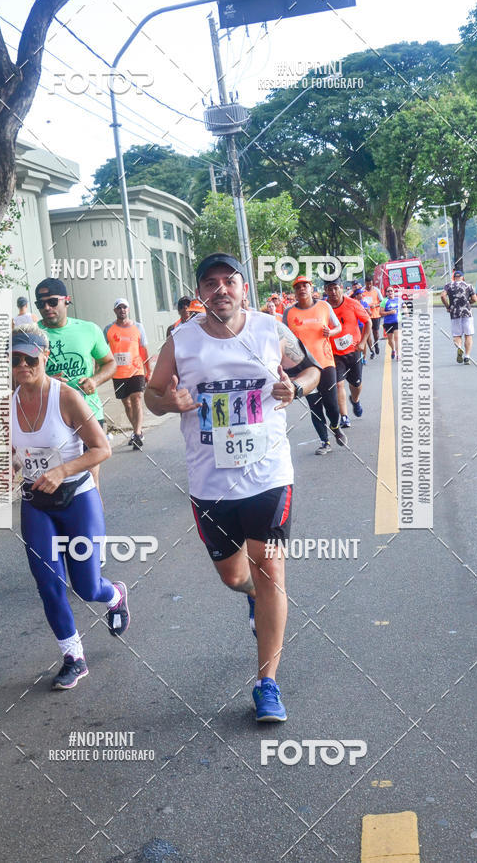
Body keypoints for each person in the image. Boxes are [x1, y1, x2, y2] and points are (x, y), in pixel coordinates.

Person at [145, 252, 321, 722]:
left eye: (230, 281)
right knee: (234, 576)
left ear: (244, 287)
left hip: (268, 474)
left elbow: (312, 370)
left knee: (271, 573)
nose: (221, 289)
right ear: (200, 292)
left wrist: (296, 389)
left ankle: (267, 683)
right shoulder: (181, 341)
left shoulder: (269, 329)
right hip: (211, 480)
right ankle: (250, 596)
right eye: (211, 282)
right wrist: (167, 401)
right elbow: (151, 392)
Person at [11, 325, 130, 690]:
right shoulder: (6, 405)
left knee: (86, 586)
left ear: (44, 356)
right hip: (36, 503)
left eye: (31, 357)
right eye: (15, 359)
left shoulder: (66, 397)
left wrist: (61, 470)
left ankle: (114, 595)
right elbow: (15, 457)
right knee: (47, 583)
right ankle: (73, 657)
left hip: (77, 498)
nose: (23, 365)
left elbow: (101, 449)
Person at [35, 278, 116, 487]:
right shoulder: (31, 335)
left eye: (52, 302)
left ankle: (93, 520)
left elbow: (109, 363)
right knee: (54, 479)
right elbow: (14, 378)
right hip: (49, 416)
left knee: (90, 477)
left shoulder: (89, 329)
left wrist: (95, 380)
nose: (47, 307)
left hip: (88, 413)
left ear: (66, 301)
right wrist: (44, 382)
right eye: (41, 303)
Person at [283, 275, 347, 455]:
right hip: (304, 368)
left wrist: (331, 332)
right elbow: (284, 339)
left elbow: (338, 327)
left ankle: (335, 427)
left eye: (305, 286)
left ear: (311, 288)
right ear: (294, 292)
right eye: (297, 287)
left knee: (332, 405)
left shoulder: (324, 306)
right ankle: (325, 442)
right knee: (315, 406)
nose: (301, 289)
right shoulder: (289, 313)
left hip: (326, 362)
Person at [323, 279, 372, 428]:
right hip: (334, 353)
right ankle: (344, 417)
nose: (333, 292)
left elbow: (368, 322)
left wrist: (363, 342)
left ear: (341, 288)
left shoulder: (352, 304)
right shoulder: (323, 308)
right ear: (325, 290)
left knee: (356, 384)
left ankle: (355, 400)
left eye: (335, 288)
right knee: (338, 384)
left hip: (353, 351)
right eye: (329, 289)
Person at [104, 298, 151, 449]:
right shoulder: (108, 329)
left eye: (124, 307)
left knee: (136, 398)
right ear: (115, 311)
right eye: (119, 308)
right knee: (127, 404)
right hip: (118, 373)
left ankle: (137, 434)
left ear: (128, 309)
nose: (122, 310)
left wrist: (148, 371)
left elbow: (144, 349)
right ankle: (137, 431)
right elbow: (101, 350)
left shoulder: (138, 327)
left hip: (136, 370)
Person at [441, 269, 476, 364]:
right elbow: (474, 299)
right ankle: (467, 356)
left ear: (454, 278)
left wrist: (448, 306)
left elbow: (442, 296)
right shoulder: (468, 286)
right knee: (468, 335)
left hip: (454, 313)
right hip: (467, 313)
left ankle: (459, 348)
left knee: (457, 335)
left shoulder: (448, 286)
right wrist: (469, 303)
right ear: (462, 277)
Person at [363, 276, 383, 357]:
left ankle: (376, 344)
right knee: (367, 334)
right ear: (365, 283)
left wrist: (376, 305)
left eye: (370, 284)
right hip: (365, 316)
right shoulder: (362, 291)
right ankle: (371, 351)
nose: (369, 286)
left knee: (376, 333)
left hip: (375, 315)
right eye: (367, 284)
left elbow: (382, 301)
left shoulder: (376, 290)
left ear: (372, 283)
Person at [380, 285, 400, 360]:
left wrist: (406, 311)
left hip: (397, 322)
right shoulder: (384, 301)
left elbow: (404, 306)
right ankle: (393, 349)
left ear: (394, 292)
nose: (390, 292)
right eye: (388, 291)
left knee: (397, 337)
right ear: (386, 293)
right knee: (390, 340)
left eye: (391, 290)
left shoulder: (398, 299)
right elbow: (381, 313)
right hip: (388, 323)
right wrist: (390, 312)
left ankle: (398, 355)